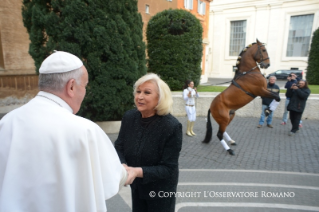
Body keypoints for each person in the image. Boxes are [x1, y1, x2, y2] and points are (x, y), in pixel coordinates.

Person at [0, 51, 129, 212]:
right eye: (85, 85)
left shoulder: (7, 122)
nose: (85, 92)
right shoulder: (85, 130)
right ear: (71, 86)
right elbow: (111, 180)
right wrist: (126, 172)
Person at [114, 73, 182, 212]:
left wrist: (136, 171)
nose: (140, 96)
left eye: (147, 92)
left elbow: (168, 169)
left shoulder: (171, 126)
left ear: (160, 98)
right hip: (137, 186)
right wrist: (123, 165)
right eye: (138, 91)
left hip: (160, 192)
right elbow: (119, 145)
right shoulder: (129, 117)